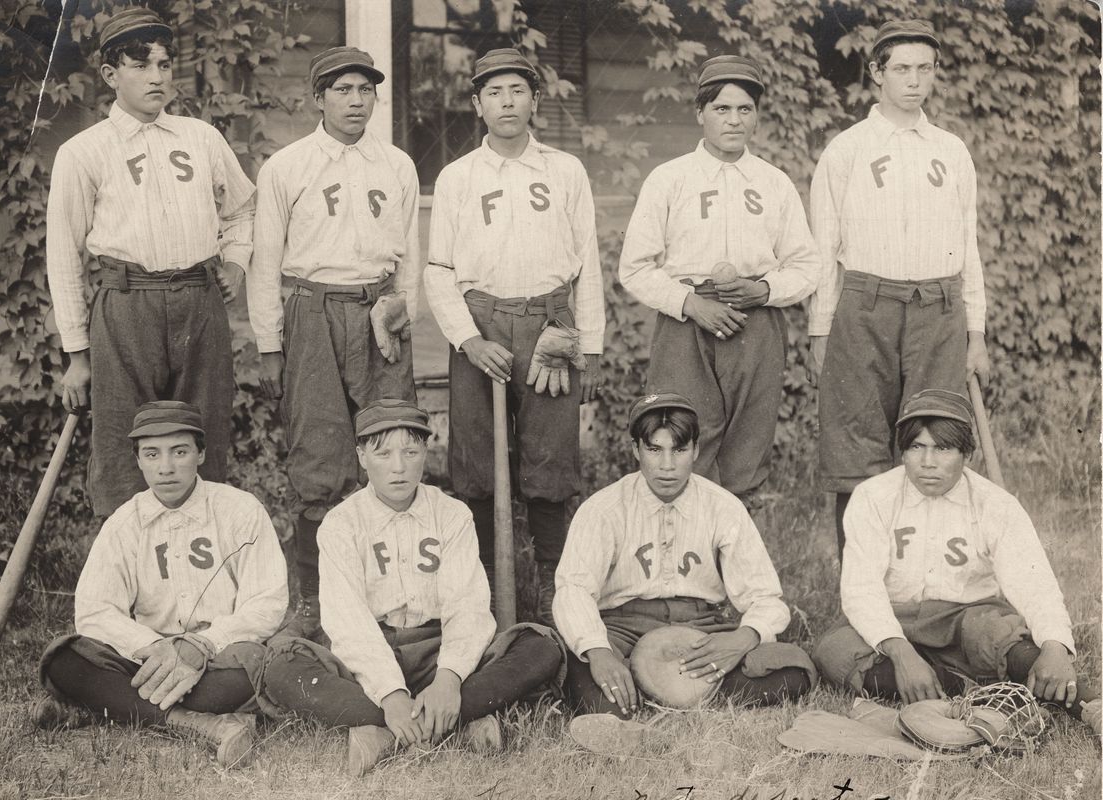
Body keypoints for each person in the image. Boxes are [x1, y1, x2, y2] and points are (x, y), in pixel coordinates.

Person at [259, 399, 563, 776]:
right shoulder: (341, 524)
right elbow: (349, 622)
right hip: (372, 652)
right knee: (281, 668)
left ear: (426, 451)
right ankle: (456, 721)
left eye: (411, 451)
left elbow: (466, 607)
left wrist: (449, 680)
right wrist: (390, 694)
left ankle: (387, 730)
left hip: (440, 647)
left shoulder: (452, 515)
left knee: (540, 647)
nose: (399, 467)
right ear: (361, 456)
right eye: (382, 453)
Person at [46, 7, 255, 517]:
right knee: (124, 440)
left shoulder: (201, 138)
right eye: (141, 66)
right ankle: (128, 581)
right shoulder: (84, 151)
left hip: (198, 303)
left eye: (164, 65)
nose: (157, 77)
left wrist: (235, 263)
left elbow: (244, 209)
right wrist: (77, 352)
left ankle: (203, 563)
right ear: (111, 75)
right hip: (126, 304)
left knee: (202, 433)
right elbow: (64, 254)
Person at [424, 48, 605, 622]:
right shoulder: (458, 177)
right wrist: (467, 340)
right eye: (494, 93)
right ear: (477, 105)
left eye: (518, 91)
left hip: (550, 325)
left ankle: (556, 587)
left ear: (534, 100)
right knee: (475, 460)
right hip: (480, 326)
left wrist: (590, 345)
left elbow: (589, 265)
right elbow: (438, 271)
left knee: (551, 459)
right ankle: (482, 587)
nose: (507, 102)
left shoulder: (564, 170)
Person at [246, 46, 420, 633]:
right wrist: (271, 344)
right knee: (320, 457)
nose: (355, 100)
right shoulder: (287, 167)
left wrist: (400, 307)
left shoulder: (396, 164)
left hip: (377, 314)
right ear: (318, 98)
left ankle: (388, 589)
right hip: (312, 313)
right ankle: (314, 600)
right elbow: (264, 262)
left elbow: (411, 260)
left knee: (392, 442)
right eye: (342, 89)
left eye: (365, 90)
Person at [811, 390, 1100, 733]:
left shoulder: (995, 504)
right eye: (916, 447)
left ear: (967, 454)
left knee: (1000, 634)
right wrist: (901, 653)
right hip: (894, 621)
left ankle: (1092, 707)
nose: (928, 461)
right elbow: (861, 592)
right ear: (902, 451)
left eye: (943, 448)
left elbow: (1033, 583)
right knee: (834, 651)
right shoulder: (873, 497)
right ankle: (966, 690)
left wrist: (1054, 644)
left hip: (965, 621)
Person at [808, 20, 991, 556]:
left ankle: (925, 574)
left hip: (939, 310)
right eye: (902, 69)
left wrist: (975, 333)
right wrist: (821, 329)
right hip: (865, 308)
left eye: (925, 69)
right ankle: (858, 583)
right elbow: (824, 250)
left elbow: (969, 245)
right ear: (877, 73)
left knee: (933, 440)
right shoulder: (847, 150)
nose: (914, 80)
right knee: (856, 448)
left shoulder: (951, 150)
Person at [34, 401, 289, 768]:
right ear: (138, 460)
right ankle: (199, 724)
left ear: (200, 454)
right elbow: (95, 609)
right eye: (152, 454)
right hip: (147, 661)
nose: (165, 467)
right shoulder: (124, 523)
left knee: (258, 666)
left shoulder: (240, 510)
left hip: (219, 658)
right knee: (64, 658)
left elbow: (267, 602)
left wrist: (201, 644)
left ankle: (110, 706)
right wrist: (154, 648)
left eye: (179, 452)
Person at [619, 56, 820, 509]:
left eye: (744, 109)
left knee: (749, 441)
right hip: (687, 319)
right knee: (681, 432)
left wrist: (764, 290)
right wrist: (690, 303)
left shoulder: (774, 182)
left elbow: (807, 266)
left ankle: (736, 558)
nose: (733, 120)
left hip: (755, 319)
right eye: (721, 109)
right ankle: (682, 556)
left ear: (756, 115)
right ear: (700, 113)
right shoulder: (669, 179)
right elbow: (634, 266)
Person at [554, 393, 814, 718]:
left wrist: (741, 639)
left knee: (792, 671)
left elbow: (765, 597)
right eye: (654, 449)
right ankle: (672, 692)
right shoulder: (604, 509)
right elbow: (573, 589)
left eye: (679, 450)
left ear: (695, 450)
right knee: (592, 679)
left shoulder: (722, 506)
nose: (667, 466)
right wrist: (598, 650)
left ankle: (654, 695)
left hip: (699, 630)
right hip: (621, 628)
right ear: (635, 449)